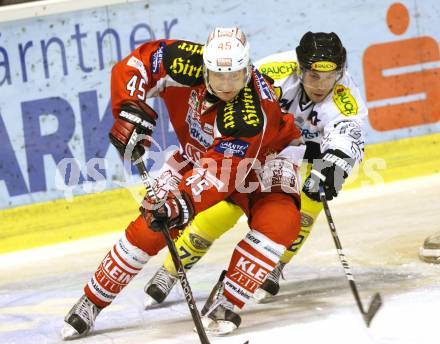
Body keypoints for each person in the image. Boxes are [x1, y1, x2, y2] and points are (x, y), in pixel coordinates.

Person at [61, 27, 304, 339]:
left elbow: (221, 174)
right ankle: (91, 301)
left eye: (235, 76)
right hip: (197, 155)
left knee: (281, 221)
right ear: (204, 68)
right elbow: (136, 63)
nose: (227, 85)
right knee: (152, 225)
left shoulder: (251, 113)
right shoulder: (180, 60)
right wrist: (128, 108)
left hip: (262, 161)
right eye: (218, 75)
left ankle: (227, 298)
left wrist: (183, 201)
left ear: (248, 68)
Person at [144, 31, 367, 308]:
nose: (322, 85)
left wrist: (334, 167)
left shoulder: (347, 95)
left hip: (310, 151)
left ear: (340, 72)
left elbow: (349, 133)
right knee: (224, 209)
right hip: (261, 146)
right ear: (300, 69)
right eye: (313, 76)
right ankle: (172, 266)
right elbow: (237, 107)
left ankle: (272, 263)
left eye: (330, 77)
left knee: (307, 207)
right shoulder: (273, 72)